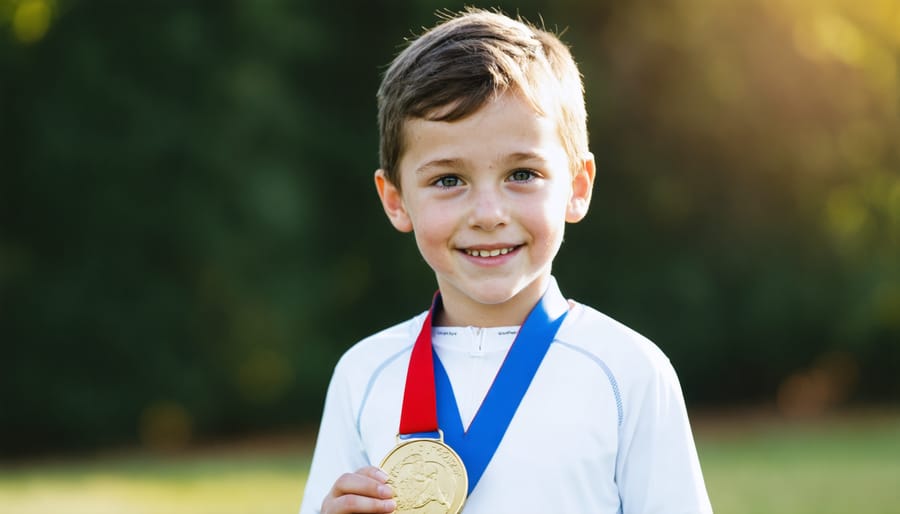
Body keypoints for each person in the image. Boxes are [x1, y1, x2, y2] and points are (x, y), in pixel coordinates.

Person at [299, 8, 712, 514]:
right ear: (396, 200)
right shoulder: (363, 375)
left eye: (522, 174)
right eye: (448, 180)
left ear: (577, 187)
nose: (489, 214)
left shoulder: (629, 372)